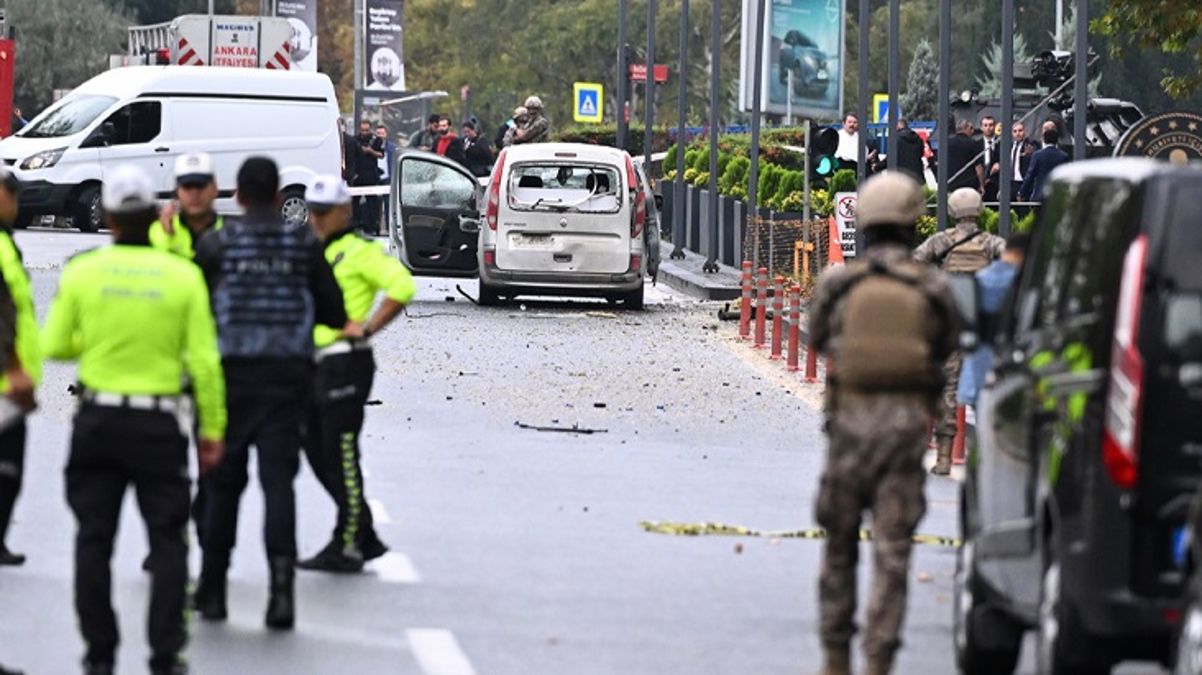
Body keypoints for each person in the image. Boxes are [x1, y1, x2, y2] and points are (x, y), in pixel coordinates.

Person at [42, 164, 226, 675]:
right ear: (153, 215)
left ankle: (100, 654)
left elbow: (56, 345)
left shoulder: (83, 272)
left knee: (93, 540)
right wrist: (211, 432)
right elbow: (206, 363)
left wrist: (98, 341)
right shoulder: (183, 276)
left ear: (110, 220)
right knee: (168, 541)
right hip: (160, 427)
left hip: (98, 422)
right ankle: (165, 653)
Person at [809, 171, 957, 675]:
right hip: (903, 435)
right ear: (914, 223)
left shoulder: (840, 282)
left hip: (849, 431)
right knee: (892, 556)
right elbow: (946, 346)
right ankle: (879, 660)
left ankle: (834, 657)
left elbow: (817, 337)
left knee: (839, 549)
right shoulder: (932, 286)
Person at [193, 157, 349, 630]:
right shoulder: (302, 244)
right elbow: (334, 310)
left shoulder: (217, 244)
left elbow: (196, 313)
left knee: (224, 485)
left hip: (230, 381)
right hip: (287, 381)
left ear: (237, 195)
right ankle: (282, 593)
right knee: (277, 484)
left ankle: (213, 590)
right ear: (280, 197)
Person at [298, 176, 416, 573]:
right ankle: (360, 531)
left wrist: (366, 327)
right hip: (312, 364)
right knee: (316, 451)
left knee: (341, 452)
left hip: (346, 361)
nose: (315, 220)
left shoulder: (360, 251)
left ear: (344, 211)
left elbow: (401, 286)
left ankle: (348, 542)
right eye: (311, 212)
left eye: (323, 213)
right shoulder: (310, 249)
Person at [913, 187, 1005, 475]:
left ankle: (943, 458)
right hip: (983, 326)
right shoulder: (992, 244)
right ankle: (989, 460)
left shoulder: (941, 241)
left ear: (952, 211)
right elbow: (1014, 268)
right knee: (988, 388)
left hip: (951, 323)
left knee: (948, 390)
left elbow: (915, 264)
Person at [0, 168, 37, 568]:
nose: (15, 204)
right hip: (5, 381)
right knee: (8, 469)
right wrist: (13, 367)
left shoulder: (7, 242)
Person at [958, 233, 1028, 408]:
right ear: (1021, 254)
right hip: (1010, 372)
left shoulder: (979, 279)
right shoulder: (1024, 282)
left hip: (976, 370)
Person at [150, 152, 225, 259]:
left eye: (200, 185)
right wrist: (169, 237)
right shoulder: (156, 231)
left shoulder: (231, 233)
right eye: (187, 186)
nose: (194, 193)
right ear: (177, 192)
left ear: (215, 189)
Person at [1019, 126, 1070, 203]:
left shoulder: (1037, 155)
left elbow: (1030, 175)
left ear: (1044, 140)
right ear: (1057, 140)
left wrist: (1022, 193)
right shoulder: (1063, 156)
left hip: (1040, 196)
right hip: (1057, 197)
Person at [352, 120, 385, 235]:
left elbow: (381, 155)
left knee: (372, 202)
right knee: (354, 202)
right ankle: (355, 226)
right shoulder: (355, 140)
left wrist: (371, 151)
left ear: (370, 129)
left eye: (367, 130)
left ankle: (372, 226)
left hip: (370, 174)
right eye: (362, 130)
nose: (364, 133)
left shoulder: (376, 140)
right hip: (358, 174)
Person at [945, 118, 984, 192]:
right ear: (966, 128)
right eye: (971, 128)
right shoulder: (973, 144)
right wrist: (981, 185)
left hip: (950, 183)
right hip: (969, 184)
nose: (973, 131)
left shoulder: (947, 143)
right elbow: (978, 167)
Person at [375, 124, 398, 230]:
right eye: (378, 133)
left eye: (382, 133)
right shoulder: (372, 147)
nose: (380, 135)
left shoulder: (392, 148)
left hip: (388, 178)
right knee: (375, 205)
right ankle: (376, 227)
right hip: (375, 178)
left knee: (389, 204)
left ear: (386, 134)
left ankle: (390, 228)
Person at [1008, 121, 1037, 202]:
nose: (1018, 133)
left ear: (1025, 131)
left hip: (1023, 182)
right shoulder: (1008, 145)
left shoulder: (1030, 145)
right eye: (1015, 131)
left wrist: (1030, 152)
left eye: (1020, 130)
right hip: (1010, 182)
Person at [893, 118, 925, 183]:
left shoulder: (896, 139)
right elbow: (921, 153)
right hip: (917, 174)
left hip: (901, 176)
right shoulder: (918, 138)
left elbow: (891, 157)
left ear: (898, 125)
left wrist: (878, 166)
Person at [979, 116, 1000, 202]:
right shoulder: (976, 145)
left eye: (991, 125)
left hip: (997, 184)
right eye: (985, 125)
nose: (988, 128)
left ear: (995, 126)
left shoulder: (1002, 143)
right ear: (981, 127)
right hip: (980, 185)